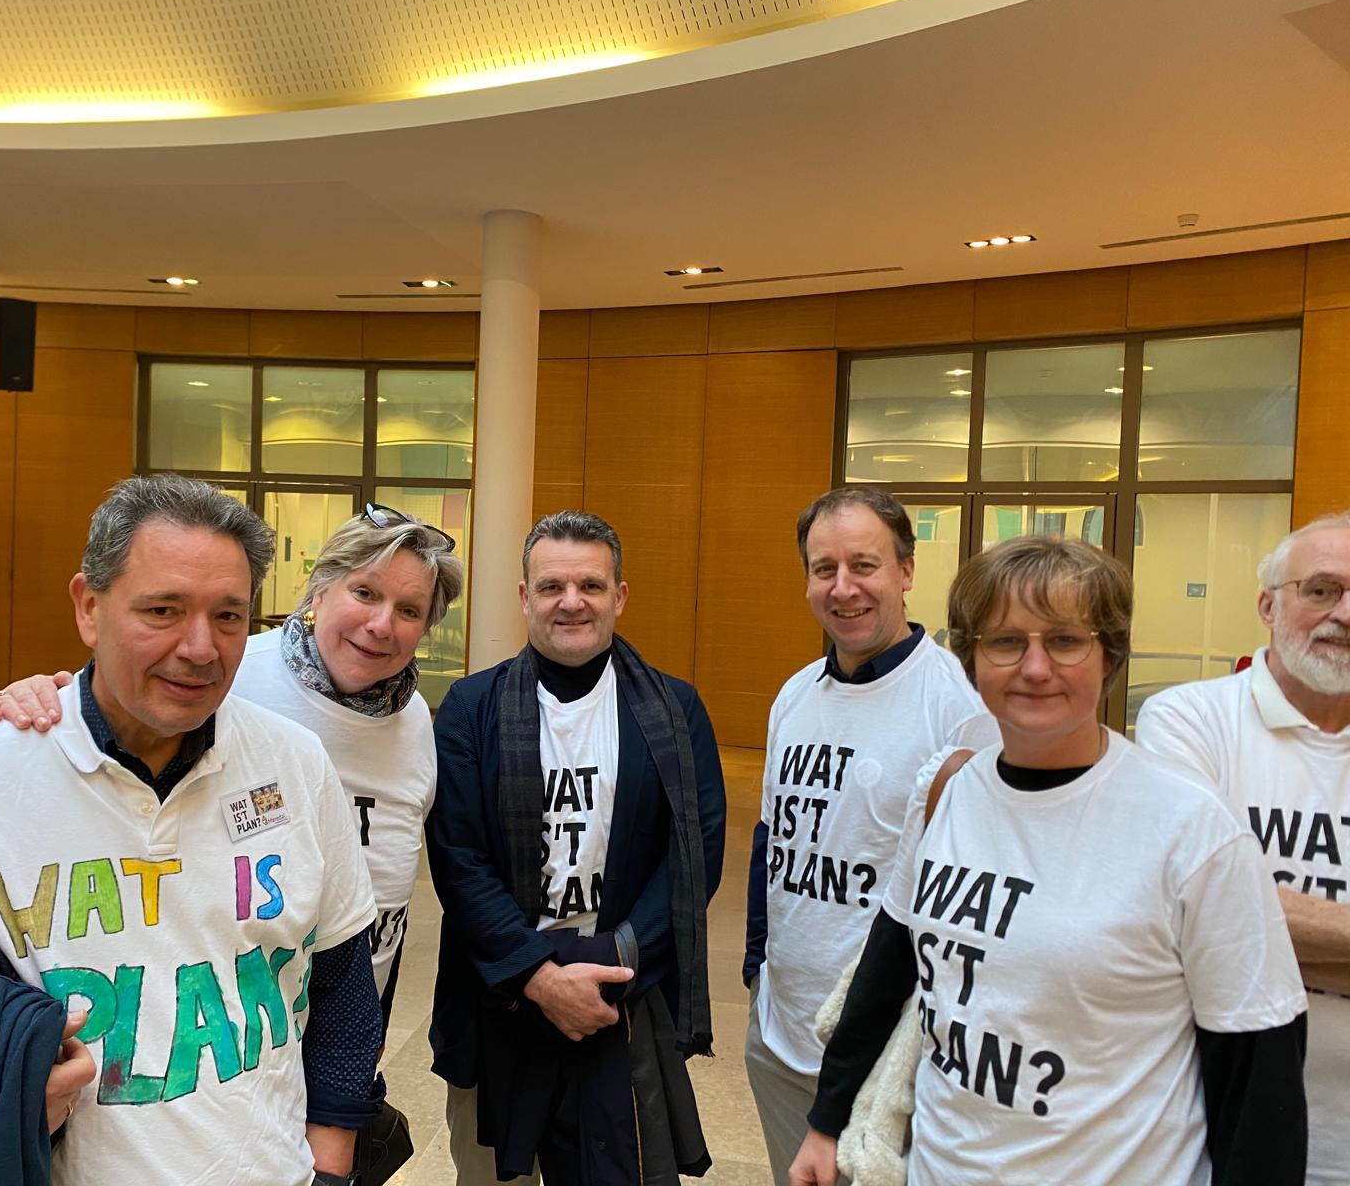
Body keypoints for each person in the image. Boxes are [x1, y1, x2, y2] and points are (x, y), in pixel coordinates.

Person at [0, 474, 381, 1186]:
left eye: (228, 616)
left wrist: (329, 1167)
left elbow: (341, 987)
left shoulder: (296, 763)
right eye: (162, 609)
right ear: (89, 607)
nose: (200, 647)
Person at [792, 536, 1308, 1186]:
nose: (1035, 668)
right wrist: (827, 1123)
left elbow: (1260, 1082)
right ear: (971, 660)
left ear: (1109, 655)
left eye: (1065, 640)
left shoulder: (1192, 828)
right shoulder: (947, 792)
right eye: (1006, 641)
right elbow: (886, 973)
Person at [0, 500, 464, 1029]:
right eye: (365, 593)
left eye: (409, 611)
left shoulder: (414, 719)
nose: (381, 625)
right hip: (224, 1028)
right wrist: (36, 705)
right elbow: (105, 725)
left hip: (353, 1006)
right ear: (320, 591)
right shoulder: (224, 676)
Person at [427, 510, 726, 1186]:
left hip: (618, 996)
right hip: (498, 996)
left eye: (590, 585)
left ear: (619, 596)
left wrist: (610, 963)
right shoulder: (471, 707)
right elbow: (457, 859)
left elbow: (694, 855)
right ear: (524, 596)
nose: (571, 602)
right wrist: (539, 977)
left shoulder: (677, 710)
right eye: (552, 586)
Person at [743, 486, 995, 1179]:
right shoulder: (795, 695)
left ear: (906, 571)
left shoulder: (960, 706)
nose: (843, 587)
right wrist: (758, 969)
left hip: (886, 1056)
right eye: (824, 569)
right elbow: (771, 840)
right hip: (779, 1035)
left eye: (864, 565)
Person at [1138, 511, 1350, 1186]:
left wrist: (1261, 929)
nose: (1344, 614)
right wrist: (1235, 924)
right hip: (1215, 1134)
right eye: (1321, 590)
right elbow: (1197, 913)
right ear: (1268, 606)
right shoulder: (1188, 721)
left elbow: (1240, 924)